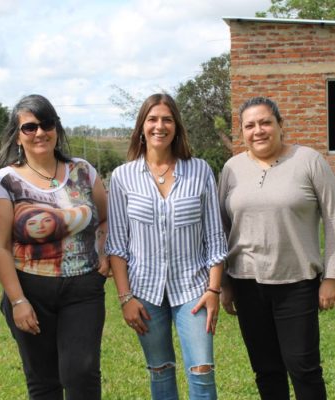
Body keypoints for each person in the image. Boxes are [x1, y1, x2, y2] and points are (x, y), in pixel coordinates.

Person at [218, 96, 335, 400]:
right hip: (246, 282)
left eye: (265, 122)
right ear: (242, 132)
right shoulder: (232, 168)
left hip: (297, 282)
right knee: (266, 369)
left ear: (280, 125)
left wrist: (332, 277)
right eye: (250, 125)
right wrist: (225, 283)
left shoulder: (308, 160)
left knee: (303, 367)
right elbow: (221, 228)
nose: (258, 130)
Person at [0, 94, 109, 399]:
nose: (39, 132)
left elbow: (105, 220)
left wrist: (104, 252)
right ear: (17, 136)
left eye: (46, 124)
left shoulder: (83, 171)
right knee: (43, 380)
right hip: (30, 290)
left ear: (57, 128)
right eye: (29, 127)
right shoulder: (5, 181)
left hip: (83, 289)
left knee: (81, 372)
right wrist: (17, 301)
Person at [106, 93, 228, 400]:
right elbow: (117, 245)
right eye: (152, 119)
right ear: (141, 127)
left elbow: (214, 238)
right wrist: (125, 299)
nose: (159, 126)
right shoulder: (123, 177)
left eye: (167, 119)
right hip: (145, 293)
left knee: (202, 371)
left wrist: (213, 291)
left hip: (194, 291)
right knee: (159, 371)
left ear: (176, 127)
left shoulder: (199, 170)